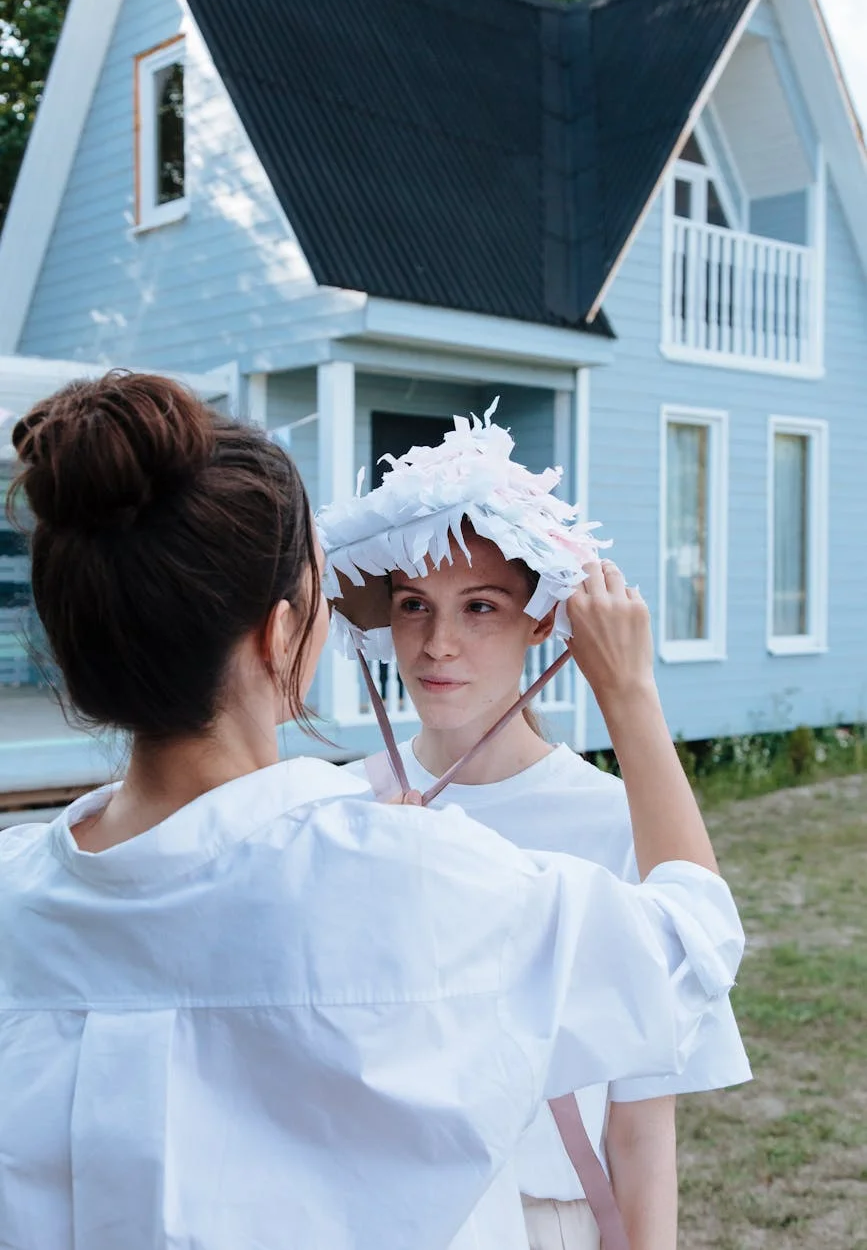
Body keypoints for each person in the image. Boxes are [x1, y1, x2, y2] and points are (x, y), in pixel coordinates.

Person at [0, 373, 745, 1250]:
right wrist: (630, 693)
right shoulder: (402, 873)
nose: (436, 640)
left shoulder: (18, 895)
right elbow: (690, 943)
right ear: (281, 637)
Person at [319, 405, 751, 1250]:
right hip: (370, 1217)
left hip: (542, 1216)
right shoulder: (335, 806)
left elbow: (637, 1120)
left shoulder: (611, 818)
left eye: (479, 607)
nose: (438, 644)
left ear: (542, 622)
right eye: (413, 605)